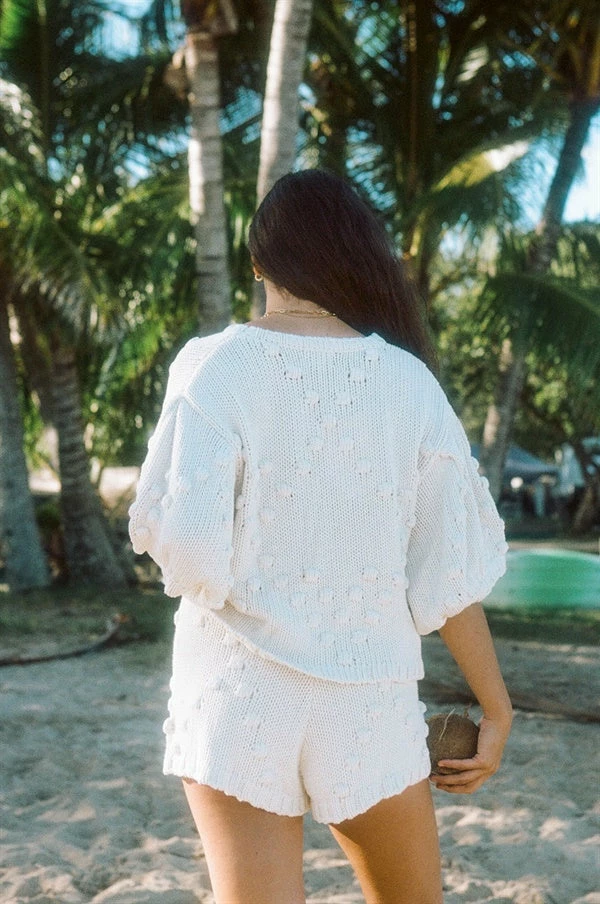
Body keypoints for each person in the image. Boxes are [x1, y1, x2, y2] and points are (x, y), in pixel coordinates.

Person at [129, 169, 513, 904]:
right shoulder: (409, 383)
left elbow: (192, 552)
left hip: (237, 691)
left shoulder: (213, 367)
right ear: (356, 256)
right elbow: (448, 573)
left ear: (258, 263)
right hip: (366, 696)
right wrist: (495, 708)